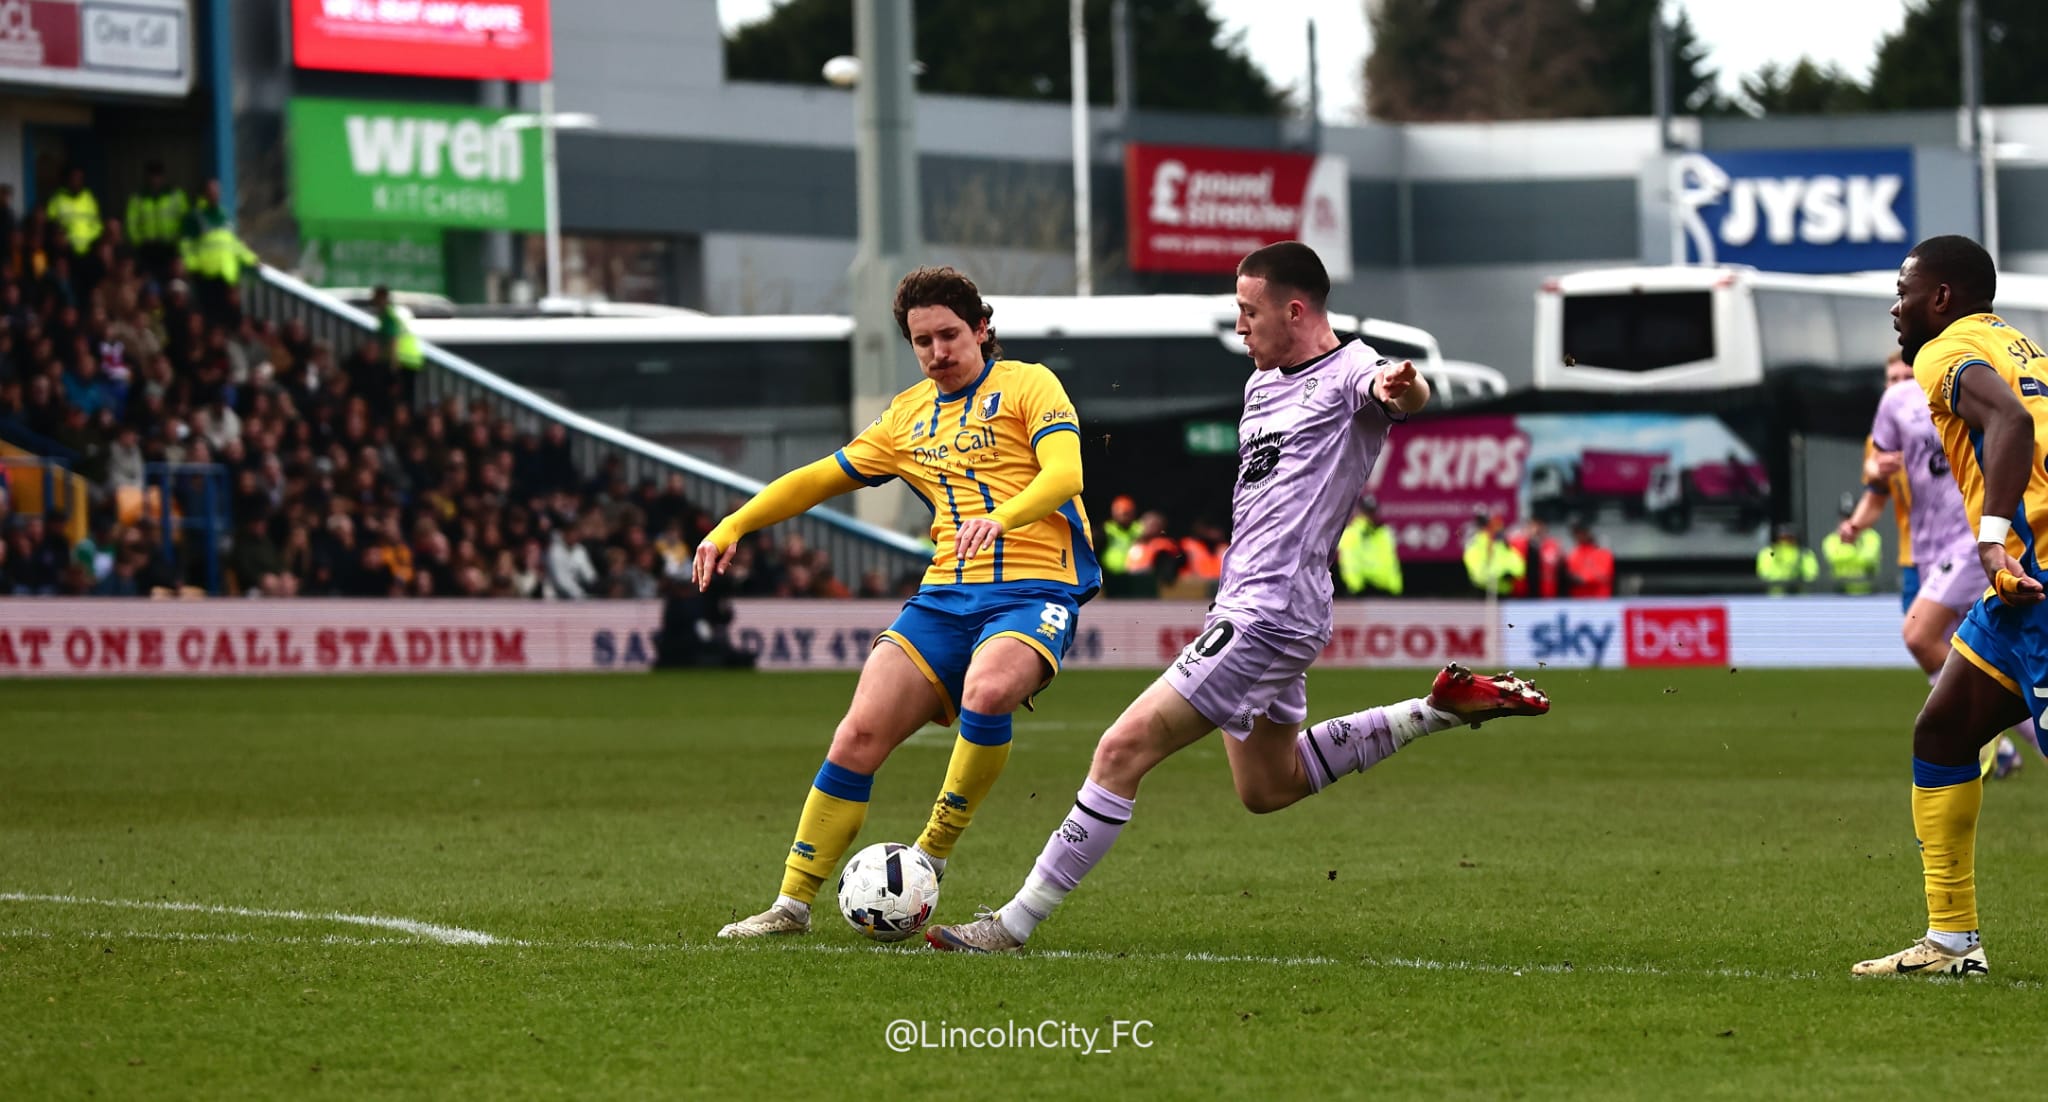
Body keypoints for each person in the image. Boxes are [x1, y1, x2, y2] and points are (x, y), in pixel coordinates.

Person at [923, 241, 1549, 955]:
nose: (1241, 326)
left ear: (1295, 311)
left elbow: (1398, 393)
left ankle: (1011, 925)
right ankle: (1435, 709)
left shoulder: (1352, 371)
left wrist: (1403, 387)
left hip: (1268, 613)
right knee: (1268, 786)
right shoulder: (1260, 385)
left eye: (1249, 311)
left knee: (1121, 749)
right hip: (1252, 606)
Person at [699, 265, 1096, 938]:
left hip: (1035, 589)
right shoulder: (906, 417)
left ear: (981, 329)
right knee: (857, 734)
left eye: (950, 335)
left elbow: (1066, 473)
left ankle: (930, 855)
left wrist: (1002, 517)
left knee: (989, 690)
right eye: (922, 341)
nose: (938, 352)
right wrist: (732, 525)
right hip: (945, 596)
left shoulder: (1030, 384)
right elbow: (819, 478)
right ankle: (791, 905)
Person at [1854, 234, 2048, 978]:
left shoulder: (1944, 351)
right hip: (2015, 597)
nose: (1895, 309)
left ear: (1940, 297)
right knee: (1942, 732)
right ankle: (1951, 944)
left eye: (1903, 293)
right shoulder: (2020, 346)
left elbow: (2013, 425)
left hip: (2033, 578)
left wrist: (1993, 541)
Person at [1839, 342, 2034, 779]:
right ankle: (2007, 741)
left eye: (1906, 376)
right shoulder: (1890, 423)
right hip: (1918, 557)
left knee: (1919, 634)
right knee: (1976, 654)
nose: (1901, 384)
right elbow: (1874, 487)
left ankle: (1982, 730)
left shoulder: (1958, 397)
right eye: (1893, 379)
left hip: (1966, 544)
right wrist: (1859, 511)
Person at [125, 162, 189, 286]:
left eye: (158, 176)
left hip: (170, 245)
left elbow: (185, 219)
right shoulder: (138, 197)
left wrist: (180, 241)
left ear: (163, 177)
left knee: (171, 279)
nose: (155, 179)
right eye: (152, 176)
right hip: (148, 246)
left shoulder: (175, 195)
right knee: (149, 280)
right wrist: (138, 242)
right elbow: (131, 222)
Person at [1336, 495, 1402, 596]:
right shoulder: (1351, 533)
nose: (1370, 516)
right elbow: (1348, 562)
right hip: (1361, 590)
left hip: (1386, 591)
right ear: (1360, 512)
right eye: (1367, 512)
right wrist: (1355, 587)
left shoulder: (1385, 533)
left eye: (1372, 512)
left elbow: (1391, 563)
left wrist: (1395, 588)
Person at [371, 285, 425, 408]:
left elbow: (393, 341)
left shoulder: (388, 315)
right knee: (407, 397)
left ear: (382, 297)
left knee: (398, 398)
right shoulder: (398, 311)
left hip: (402, 360)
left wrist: (393, 368)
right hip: (413, 358)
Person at [1821, 492, 1882, 595]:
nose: (1848, 522)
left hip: (1868, 594)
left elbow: (1868, 558)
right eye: (1845, 517)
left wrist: (1846, 548)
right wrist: (1856, 549)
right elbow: (1834, 558)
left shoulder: (1871, 536)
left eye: (1852, 517)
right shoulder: (1830, 540)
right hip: (1841, 594)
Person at [1462, 508, 1523, 596]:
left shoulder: (1497, 539)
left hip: (1499, 586)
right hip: (1484, 584)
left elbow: (1513, 562)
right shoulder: (1477, 540)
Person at [45, 167, 101, 255]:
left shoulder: (89, 198)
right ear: (68, 179)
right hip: (66, 250)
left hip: (89, 250)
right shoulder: (57, 198)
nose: (76, 181)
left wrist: (93, 241)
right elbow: (50, 222)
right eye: (74, 178)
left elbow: (97, 225)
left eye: (79, 179)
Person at [1098, 495, 1146, 597]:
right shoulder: (1107, 528)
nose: (1122, 516)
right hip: (1109, 576)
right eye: (1119, 513)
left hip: (1133, 577)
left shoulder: (1139, 529)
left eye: (1126, 513)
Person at [1508, 518, 1564, 598]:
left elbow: (1559, 567)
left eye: (1539, 526)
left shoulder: (1552, 545)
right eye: (1533, 526)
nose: (1537, 529)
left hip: (1547, 592)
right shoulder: (1518, 544)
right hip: (1522, 591)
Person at [1755, 525, 1818, 595]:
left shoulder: (1804, 553)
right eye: (1783, 538)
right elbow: (1764, 575)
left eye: (1789, 538)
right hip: (1775, 595)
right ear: (1777, 539)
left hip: (1799, 596)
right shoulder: (1769, 553)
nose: (1786, 541)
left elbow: (1811, 576)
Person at [1565, 524, 1614, 598]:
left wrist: (1584, 579)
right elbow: (1571, 575)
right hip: (1578, 600)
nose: (1580, 536)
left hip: (1599, 600)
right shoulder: (1572, 554)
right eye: (1577, 533)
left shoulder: (1603, 553)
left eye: (1583, 532)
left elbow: (1604, 577)